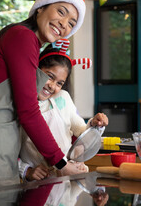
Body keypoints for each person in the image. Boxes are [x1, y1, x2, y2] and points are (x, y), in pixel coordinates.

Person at [0, 0, 87, 189]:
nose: (63, 24)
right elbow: (28, 111)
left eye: (71, 23)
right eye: (61, 11)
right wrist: (61, 163)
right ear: (40, 8)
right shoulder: (23, 36)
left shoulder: (24, 39)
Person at [19, 41, 108, 181]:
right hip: (38, 183)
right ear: (37, 69)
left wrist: (95, 124)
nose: (52, 86)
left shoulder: (63, 98)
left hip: (68, 176)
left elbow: (81, 131)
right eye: (49, 76)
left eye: (59, 83)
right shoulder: (20, 105)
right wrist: (26, 170)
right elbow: (7, 153)